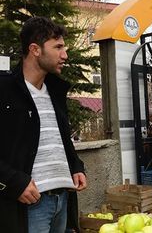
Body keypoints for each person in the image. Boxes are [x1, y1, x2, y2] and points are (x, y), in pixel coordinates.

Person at [0, 17, 87, 233]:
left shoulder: (56, 91)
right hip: (29, 205)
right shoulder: (5, 90)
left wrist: (75, 165)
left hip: (63, 200)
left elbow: (62, 138)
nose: (64, 55)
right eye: (58, 47)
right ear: (35, 49)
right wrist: (13, 182)